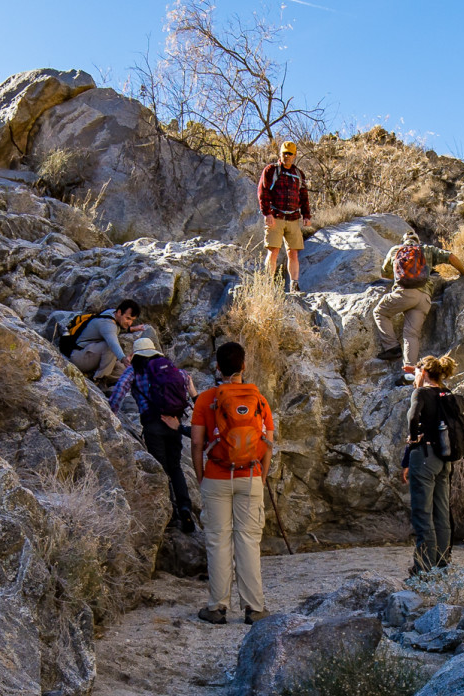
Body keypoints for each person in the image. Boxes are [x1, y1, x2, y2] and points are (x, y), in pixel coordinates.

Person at [191, 342, 274, 625]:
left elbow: (197, 442)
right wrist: (260, 476)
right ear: (244, 367)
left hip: (215, 476)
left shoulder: (205, 400)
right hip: (250, 477)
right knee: (249, 541)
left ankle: (217, 608)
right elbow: (269, 443)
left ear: (217, 367)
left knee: (218, 541)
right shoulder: (259, 399)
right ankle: (254, 608)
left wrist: (201, 476)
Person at [109, 338, 198, 533]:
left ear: (137, 355)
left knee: (161, 469)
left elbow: (118, 393)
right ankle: (185, 508)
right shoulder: (174, 371)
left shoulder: (134, 371)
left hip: (152, 426)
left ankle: (171, 514)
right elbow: (189, 386)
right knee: (175, 467)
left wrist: (108, 417)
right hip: (174, 424)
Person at [374, 233, 464, 383]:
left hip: (404, 293)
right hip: (424, 298)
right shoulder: (427, 250)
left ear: (403, 241)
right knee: (411, 334)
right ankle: (410, 374)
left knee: (380, 312)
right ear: (418, 241)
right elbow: (451, 257)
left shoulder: (396, 250)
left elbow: (384, 273)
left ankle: (391, 347)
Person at [402, 355, 458, 575]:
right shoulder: (447, 394)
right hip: (445, 460)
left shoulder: (421, 393)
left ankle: (424, 569)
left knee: (423, 514)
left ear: (424, 373)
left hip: (424, 457)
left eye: (417, 374)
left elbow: (413, 417)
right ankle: (442, 565)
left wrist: (413, 439)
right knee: (441, 513)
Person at [258, 141, 311, 294]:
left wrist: (306, 215)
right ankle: (268, 285)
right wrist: (267, 213)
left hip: (293, 218)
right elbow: (263, 192)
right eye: (284, 153)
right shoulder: (271, 171)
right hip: (275, 216)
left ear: (295, 156)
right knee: (273, 251)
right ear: (280, 154)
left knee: (293, 253)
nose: (287, 156)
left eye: (290, 154)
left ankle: (294, 286)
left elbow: (303, 196)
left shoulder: (298, 174)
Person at [68, 299, 144, 384]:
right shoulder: (107, 323)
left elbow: (114, 329)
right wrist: (123, 359)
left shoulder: (111, 313)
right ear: (119, 312)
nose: (130, 323)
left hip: (92, 354)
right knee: (110, 348)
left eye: (132, 320)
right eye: (128, 318)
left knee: (125, 372)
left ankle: (94, 374)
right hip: (79, 357)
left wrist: (131, 329)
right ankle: (99, 380)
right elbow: (113, 343)